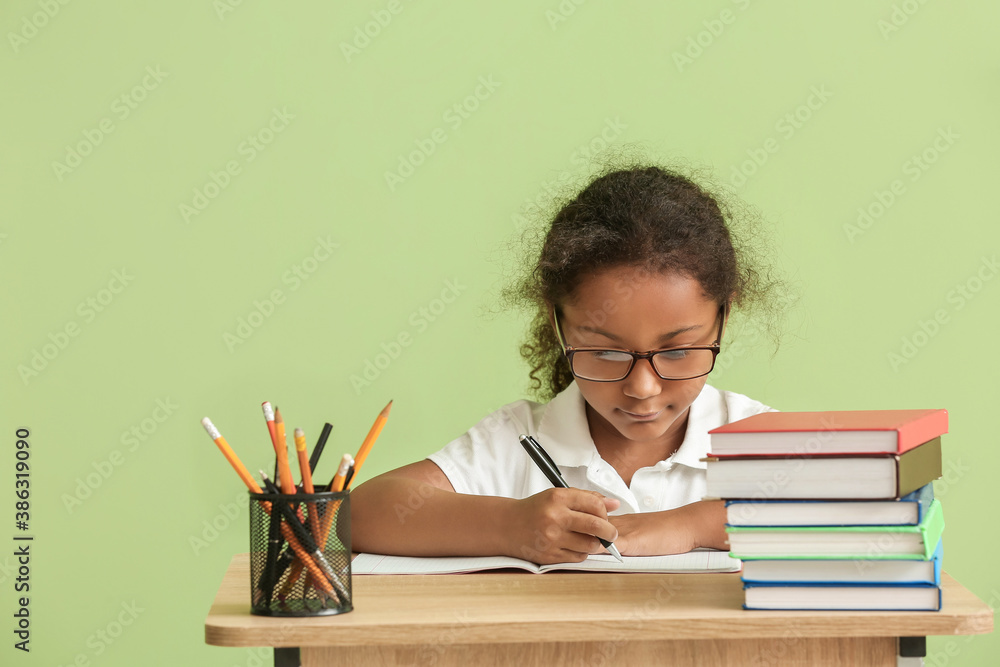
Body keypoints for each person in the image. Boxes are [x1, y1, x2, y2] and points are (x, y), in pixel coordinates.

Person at [351, 163, 781, 564]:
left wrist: (694, 524)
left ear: (723, 317)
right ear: (559, 326)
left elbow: (843, 518)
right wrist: (507, 526)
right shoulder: (517, 441)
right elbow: (356, 516)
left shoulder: (757, 439)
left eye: (676, 351)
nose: (643, 387)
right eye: (606, 352)